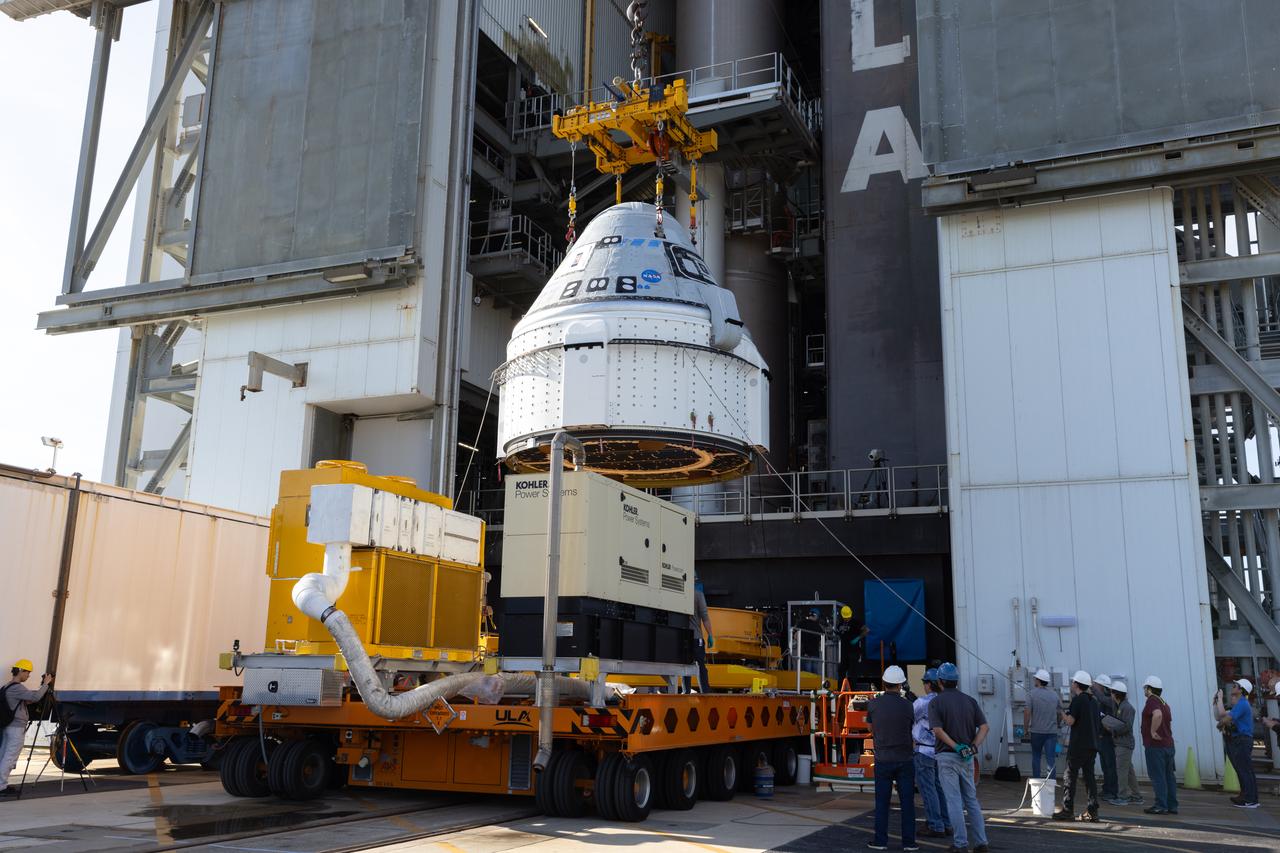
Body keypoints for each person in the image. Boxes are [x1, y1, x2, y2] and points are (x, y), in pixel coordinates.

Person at [928, 662, 989, 853]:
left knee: (954, 801)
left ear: (940, 681)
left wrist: (956, 747)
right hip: (967, 759)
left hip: (947, 756)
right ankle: (981, 843)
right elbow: (985, 727)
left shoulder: (936, 702)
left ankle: (960, 843)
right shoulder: (970, 701)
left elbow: (937, 730)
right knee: (971, 800)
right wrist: (971, 747)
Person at [866, 666, 918, 851]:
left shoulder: (873, 704)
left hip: (883, 759)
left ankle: (880, 841)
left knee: (881, 803)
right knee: (907, 804)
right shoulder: (909, 705)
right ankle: (909, 843)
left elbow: (870, 729)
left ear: (884, 683)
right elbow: (912, 728)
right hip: (905, 759)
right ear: (901, 684)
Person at [0, 659, 53, 797]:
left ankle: (1, 784)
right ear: (21, 671)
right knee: (9, 757)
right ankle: (1, 787)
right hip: (16, 728)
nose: (28, 676)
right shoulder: (17, 687)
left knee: (4, 755)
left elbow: (28, 699)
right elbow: (35, 697)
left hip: (9, 727)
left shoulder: (7, 686)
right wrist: (46, 684)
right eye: (28, 673)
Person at [1053, 671, 1100, 822]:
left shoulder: (1078, 700)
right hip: (1092, 745)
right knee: (1089, 778)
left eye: (1073, 682)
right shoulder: (1094, 701)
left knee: (1070, 776)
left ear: (1076, 684)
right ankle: (1092, 811)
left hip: (1079, 746)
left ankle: (1068, 810)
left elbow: (1071, 721)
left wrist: (1062, 714)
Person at [912, 668, 950, 839]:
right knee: (939, 788)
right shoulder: (946, 701)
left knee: (928, 790)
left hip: (924, 750)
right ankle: (946, 823)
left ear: (928, 684)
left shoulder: (922, 702)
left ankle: (935, 824)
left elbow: (910, 716)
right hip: (940, 750)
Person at [1215, 678, 1260, 809]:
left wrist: (1220, 724)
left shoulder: (1242, 703)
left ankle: (1249, 799)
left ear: (1241, 690)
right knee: (1244, 770)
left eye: (1235, 685)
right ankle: (1247, 797)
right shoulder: (1241, 704)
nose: (1232, 687)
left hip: (1242, 740)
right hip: (1241, 739)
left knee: (1244, 770)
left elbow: (1226, 717)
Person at [1141, 675, 1178, 815]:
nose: (1144, 690)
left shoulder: (1152, 701)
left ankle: (1161, 805)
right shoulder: (1164, 703)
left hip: (1156, 747)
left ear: (1149, 689)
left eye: (1145, 687)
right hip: (1168, 745)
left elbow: (1157, 715)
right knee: (1169, 777)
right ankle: (1172, 805)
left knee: (1158, 777)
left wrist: (1152, 731)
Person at [1102, 681, 1142, 806]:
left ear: (1116, 694)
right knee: (1128, 771)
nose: (1110, 695)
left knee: (1122, 771)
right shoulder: (1120, 706)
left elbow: (1127, 726)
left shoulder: (1127, 708)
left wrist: (1112, 729)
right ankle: (1137, 796)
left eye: (1112, 692)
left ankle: (1123, 796)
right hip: (1122, 743)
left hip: (1123, 744)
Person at [1024, 668, 1062, 779]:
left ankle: (1036, 782)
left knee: (1036, 757)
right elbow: (1060, 713)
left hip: (1036, 732)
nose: (1034, 680)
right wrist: (1058, 724)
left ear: (1038, 680)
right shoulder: (1054, 695)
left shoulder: (1031, 694)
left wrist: (1026, 729)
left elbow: (1027, 712)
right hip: (1051, 732)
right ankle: (1051, 785)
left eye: (1035, 678)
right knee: (1051, 759)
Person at [1091, 673, 1118, 803]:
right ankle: (1107, 789)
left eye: (1096, 684)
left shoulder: (1108, 700)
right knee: (1105, 766)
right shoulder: (1101, 701)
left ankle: (1112, 791)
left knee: (1110, 766)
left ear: (1101, 686)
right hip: (1101, 738)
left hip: (1108, 739)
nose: (1094, 686)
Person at [685, 578, 713, 693]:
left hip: (684, 637)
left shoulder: (680, 595)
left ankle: (686, 691)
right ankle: (705, 692)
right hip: (696, 638)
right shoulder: (698, 595)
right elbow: (705, 617)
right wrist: (710, 635)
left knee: (686, 667)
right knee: (700, 666)